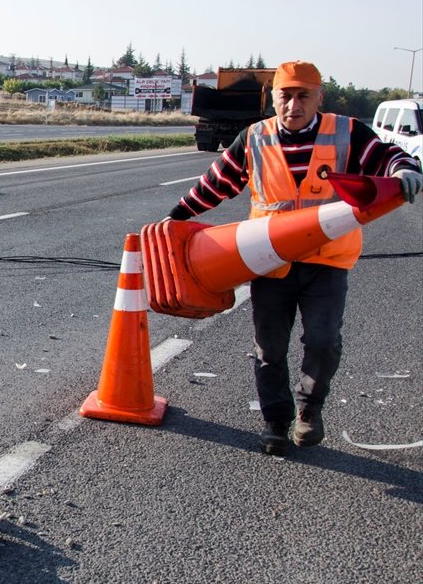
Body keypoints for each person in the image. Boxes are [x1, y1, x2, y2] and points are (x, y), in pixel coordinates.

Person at [166, 60, 422, 455]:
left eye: (304, 96)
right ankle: (275, 420)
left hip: (327, 262)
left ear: (319, 97)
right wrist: (176, 219)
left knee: (323, 342)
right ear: (273, 98)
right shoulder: (255, 138)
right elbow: (217, 183)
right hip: (269, 262)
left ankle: (309, 409)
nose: (293, 105)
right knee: (269, 349)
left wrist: (405, 170)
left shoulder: (347, 132)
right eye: (286, 96)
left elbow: (385, 156)